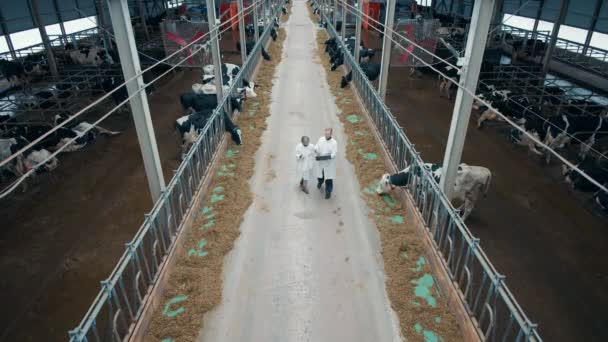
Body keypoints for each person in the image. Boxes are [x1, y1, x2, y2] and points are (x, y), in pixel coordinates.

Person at [315, 128, 338, 199]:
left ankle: (328, 191)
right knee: (320, 175)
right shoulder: (321, 139)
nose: (326, 135)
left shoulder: (334, 143)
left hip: (329, 163)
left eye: (328, 134)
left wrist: (326, 157)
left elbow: (334, 154)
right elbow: (317, 146)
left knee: (328, 178)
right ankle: (320, 182)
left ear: (331, 134)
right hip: (321, 161)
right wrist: (316, 149)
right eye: (325, 133)